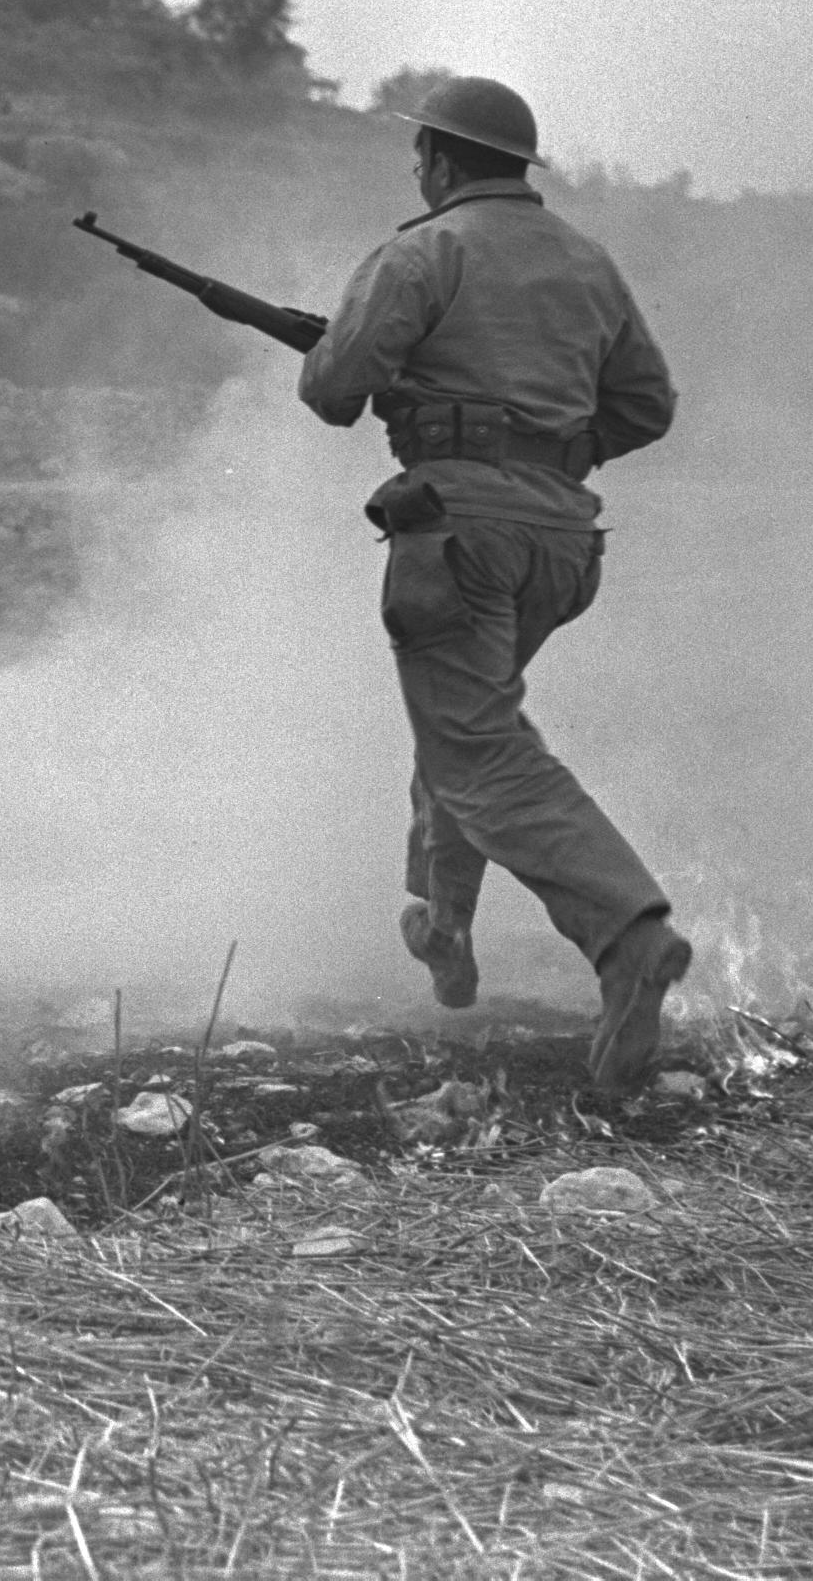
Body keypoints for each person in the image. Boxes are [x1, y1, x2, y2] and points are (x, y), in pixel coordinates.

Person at [294, 76, 688, 1092]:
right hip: (561, 540)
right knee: (462, 727)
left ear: (437, 158)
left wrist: (388, 382)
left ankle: (627, 932)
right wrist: (547, 450)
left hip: (460, 534)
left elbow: (333, 390)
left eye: (418, 153)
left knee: (478, 748)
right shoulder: (588, 263)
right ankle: (443, 918)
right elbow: (645, 404)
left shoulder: (425, 251)